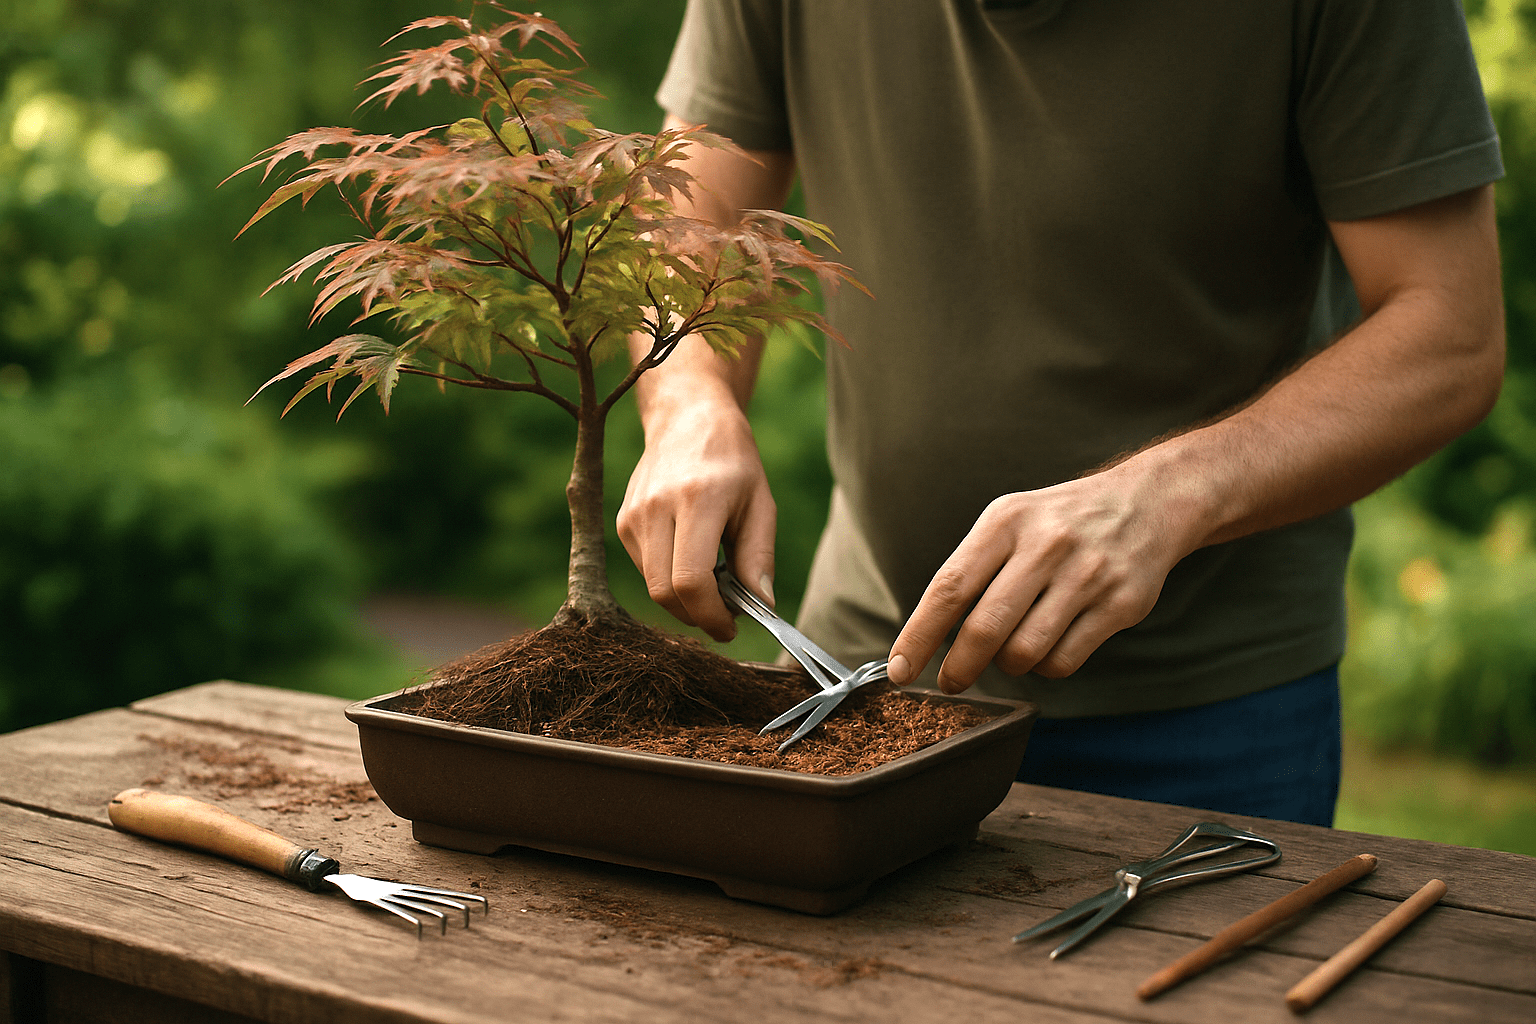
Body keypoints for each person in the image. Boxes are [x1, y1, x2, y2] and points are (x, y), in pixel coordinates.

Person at [616, 0, 1506, 825]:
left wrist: (1169, 495)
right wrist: (687, 394)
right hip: (869, 670)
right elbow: (690, 218)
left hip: (1206, 711)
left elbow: (1448, 333)